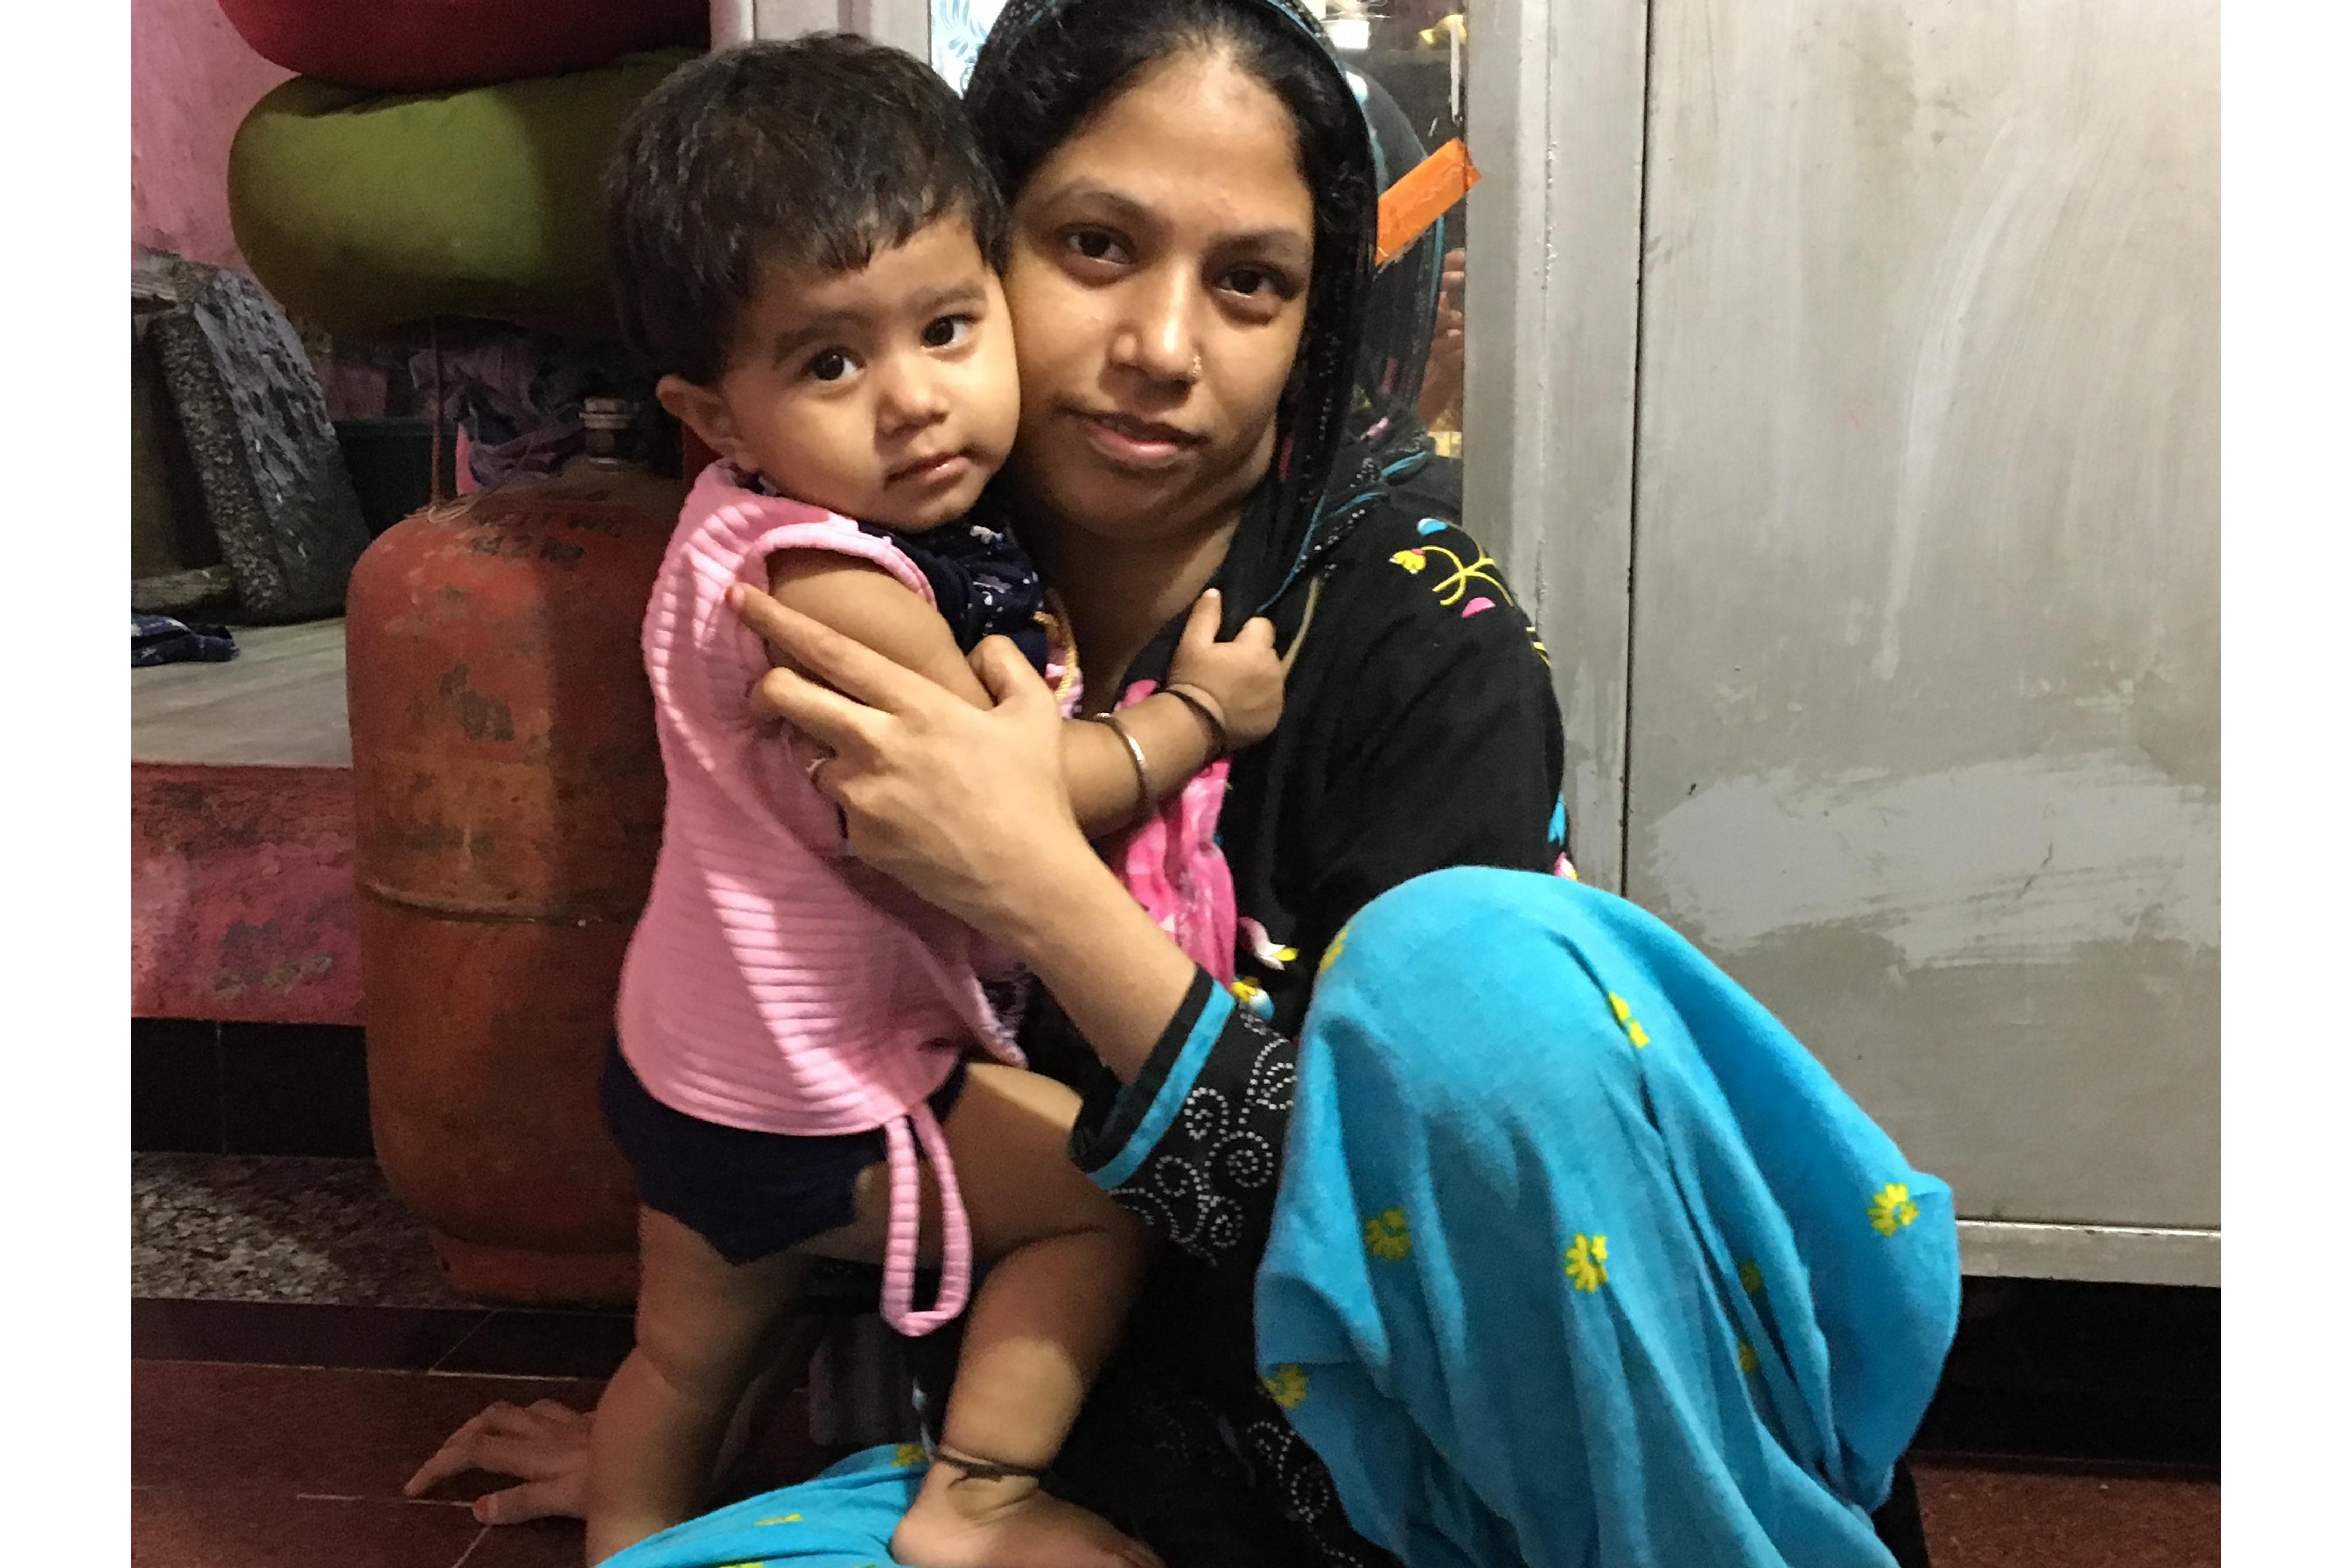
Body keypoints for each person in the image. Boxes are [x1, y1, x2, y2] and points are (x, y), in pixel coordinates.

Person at [411, 3, 1957, 1562]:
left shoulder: (1422, 646)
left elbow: (1425, 1241)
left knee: (1472, 976)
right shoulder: (855, 580)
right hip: (1076, 1486)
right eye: (1093, 245)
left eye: (1251, 283)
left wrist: (1034, 879)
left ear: (1320, 322)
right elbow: (813, 1033)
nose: (1162, 349)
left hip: (1449, 1476)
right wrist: (662, 1425)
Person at [579, 34, 1289, 1568]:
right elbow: (1022, 808)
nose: (915, 402)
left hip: (688, 1061)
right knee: (1101, 1193)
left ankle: (626, 1541)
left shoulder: (735, 527)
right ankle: (981, 1497)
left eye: (949, 328)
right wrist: (1194, 723)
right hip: (804, 1087)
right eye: (833, 362)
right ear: (713, 413)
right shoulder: (836, 586)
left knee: (681, 1369)